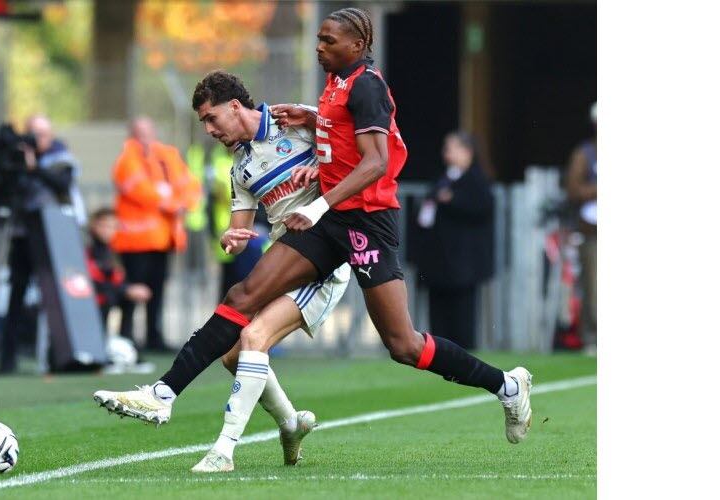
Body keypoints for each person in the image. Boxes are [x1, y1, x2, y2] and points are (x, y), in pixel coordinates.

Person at [93, 7, 532, 461]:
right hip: (328, 223)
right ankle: (165, 394)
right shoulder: (332, 89)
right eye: (318, 40)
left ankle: (507, 385)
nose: (318, 47)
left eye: (327, 40)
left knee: (403, 344)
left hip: (366, 221)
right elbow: (334, 139)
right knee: (243, 297)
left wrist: (319, 197)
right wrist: (311, 127)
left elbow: (377, 161)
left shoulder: (367, 85)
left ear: (357, 46)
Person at [97, 70, 351, 472]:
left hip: (322, 260)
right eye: (203, 123)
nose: (209, 129)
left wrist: (321, 168)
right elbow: (242, 225)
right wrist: (234, 236)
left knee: (251, 333)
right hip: (287, 256)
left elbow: (352, 147)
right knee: (234, 356)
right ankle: (290, 424)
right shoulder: (241, 166)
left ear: (235, 107)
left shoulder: (296, 124)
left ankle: (221, 448)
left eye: (211, 118)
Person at [0, 114, 80, 374]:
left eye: (42, 134)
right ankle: (7, 358)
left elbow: (61, 183)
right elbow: (4, 187)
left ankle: (60, 356)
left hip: (53, 237)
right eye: (33, 133)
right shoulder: (17, 158)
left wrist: (35, 168)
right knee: (16, 294)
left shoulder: (61, 158)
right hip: (23, 235)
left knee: (58, 296)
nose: (37, 139)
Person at [110, 118, 202, 352]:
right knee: (133, 291)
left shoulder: (167, 155)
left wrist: (185, 202)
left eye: (148, 131)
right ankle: (126, 337)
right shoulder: (127, 159)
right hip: (136, 241)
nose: (145, 136)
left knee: (158, 289)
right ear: (132, 134)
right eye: (140, 132)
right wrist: (172, 203)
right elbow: (139, 189)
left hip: (164, 238)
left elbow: (189, 183)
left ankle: (154, 337)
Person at [412, 131, 495, 350]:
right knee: (438, 313)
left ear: (467, 152)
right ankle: (440, 353)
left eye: (451, 148)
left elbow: (483, 209)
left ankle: (464, 355)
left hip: (463, 262)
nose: (446, 153)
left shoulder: (476, 180)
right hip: (439, 261)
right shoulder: (443, 178)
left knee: (462, 314)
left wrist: (453, 201)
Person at [565, 102, 597, 354]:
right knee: (593, 286)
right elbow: (574, 189)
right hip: (593, 230)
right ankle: (591, 337)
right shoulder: (584, 154)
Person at [85, 208, 152, 328]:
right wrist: (125, 290)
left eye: (112, 227)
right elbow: (91, 282)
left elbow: (119, 278)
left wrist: (129, 289)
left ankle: (125, 338)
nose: (107, 231)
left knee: (129, 298)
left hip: (110, 295)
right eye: (103, 225)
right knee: (110, 297)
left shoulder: (114, 253)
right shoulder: (87, 251)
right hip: (92, 299)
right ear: (93, 226)